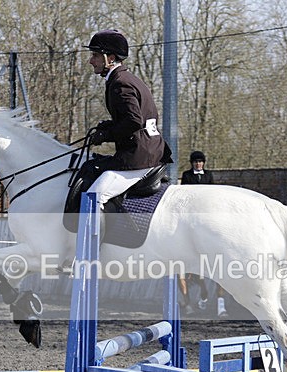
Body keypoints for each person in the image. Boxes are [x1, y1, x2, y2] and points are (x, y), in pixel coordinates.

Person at [84, 29, 173, 208]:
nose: (91, 61)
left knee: (93, 197)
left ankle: (95, 237)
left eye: (95, 55)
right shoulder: (127, 78)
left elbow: (133, 121)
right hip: (150, 150)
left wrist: (106, 135)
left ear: (110, 58)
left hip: (139, 156)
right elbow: (135, 117)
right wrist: (107, 126)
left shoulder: (120, 82)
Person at [178, 151, 228, 317]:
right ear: (192, 163)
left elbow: (211, 193)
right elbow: (185, 195)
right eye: (196, 162)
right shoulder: (186, 175)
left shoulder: (208, 175)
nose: (198, 164)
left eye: (201, 162)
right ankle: (186, 302)